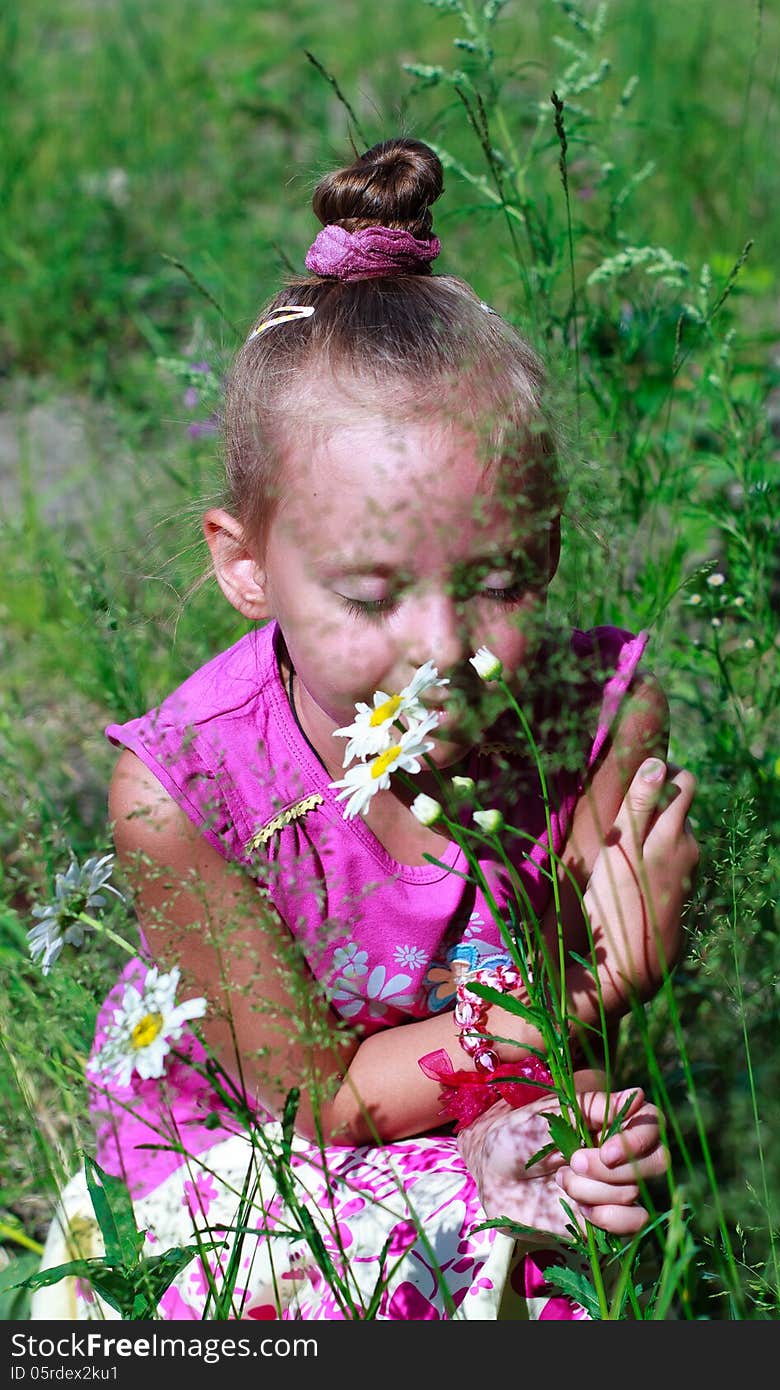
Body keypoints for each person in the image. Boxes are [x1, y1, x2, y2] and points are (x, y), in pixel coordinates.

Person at [31, 137, 698, 1322]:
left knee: (583, 1235)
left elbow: (568, 1053)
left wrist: (571, 1114)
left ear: (545, 549)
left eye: (495, 577)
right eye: (369, 592)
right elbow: (326, 1107)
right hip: (260, 1158)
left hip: (481, 1098)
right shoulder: (185, 794)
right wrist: (593, 992)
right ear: (245, 566)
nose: (442, 649)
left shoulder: (595, 722)